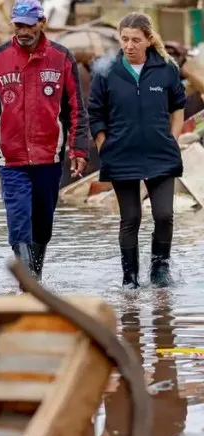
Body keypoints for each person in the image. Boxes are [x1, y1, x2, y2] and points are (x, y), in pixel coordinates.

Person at [0, 0, 89, 282]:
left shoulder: (62, 58)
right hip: (11, 160)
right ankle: (28, 284)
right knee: (18, 220)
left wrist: (78, 149)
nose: (23, 31)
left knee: (42, 225)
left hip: (49, 157)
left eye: (28, 25)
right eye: (18, 25)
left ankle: (34, 278)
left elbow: (76, 107)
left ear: (42, 23)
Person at [87, 12, 186, 289]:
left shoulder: (166, 68)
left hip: (161, 155)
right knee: (130, 218)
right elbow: (95, 113)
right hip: (121, 156)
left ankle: (159, 270)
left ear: (148, 39)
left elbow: (178, 105)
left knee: (164, 215)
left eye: (135, 40)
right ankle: (130, 279)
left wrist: (173, 140)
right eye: (124, 39)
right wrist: (103, 145)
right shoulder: (107, 72)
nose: (129, 46)